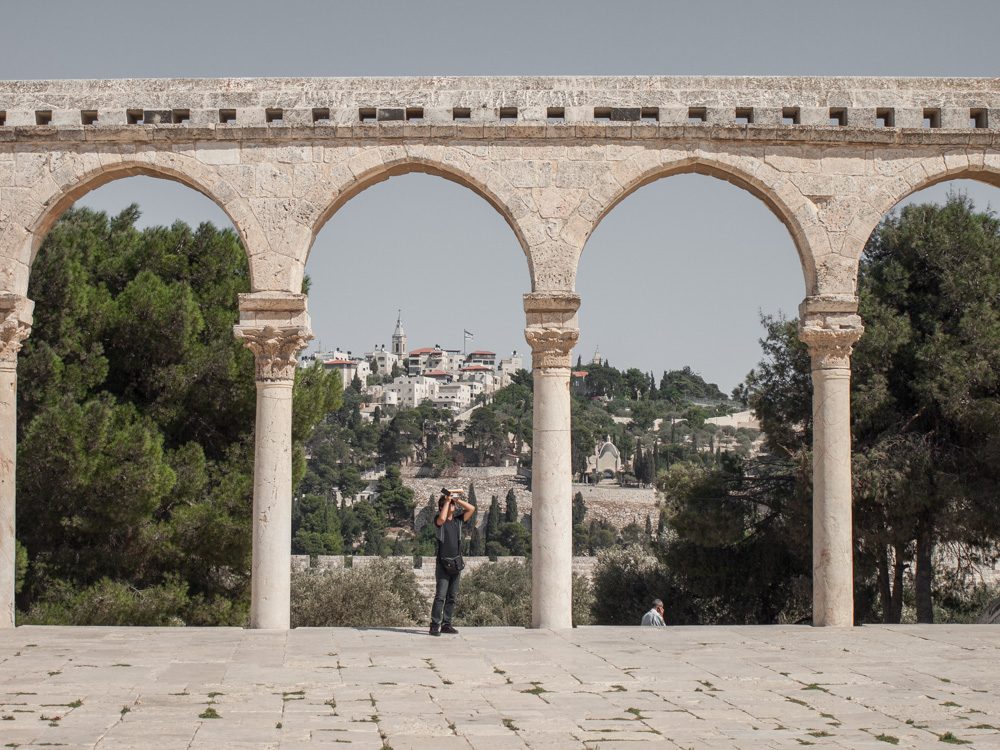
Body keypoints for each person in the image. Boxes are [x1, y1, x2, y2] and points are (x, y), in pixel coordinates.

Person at [429, 488, 475, 636]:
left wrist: (456, 499)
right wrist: (447, 501)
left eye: (453, 506)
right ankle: (435, 625)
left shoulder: (458, 521)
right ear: (442, 507)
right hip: (443, 565)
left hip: (456, 563)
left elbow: (471, 508)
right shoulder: (439, 521)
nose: (453, 508)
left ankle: (447, 624)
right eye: (449, 505)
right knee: (440, 596)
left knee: (452, 597)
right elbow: (442, 519)